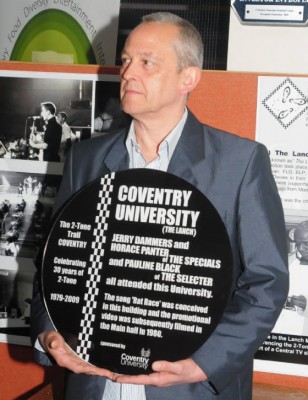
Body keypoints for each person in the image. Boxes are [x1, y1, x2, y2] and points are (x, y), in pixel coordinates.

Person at [30, 12, 289, 400]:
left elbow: (267, 283)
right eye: (126, 60)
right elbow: (56, 262)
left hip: (190, 388)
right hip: (94, 386)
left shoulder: (240, 163)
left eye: (147, 62)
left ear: (189, 78)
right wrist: (50, 333)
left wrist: (205, 362)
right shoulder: (86, 158)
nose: (129, 73)